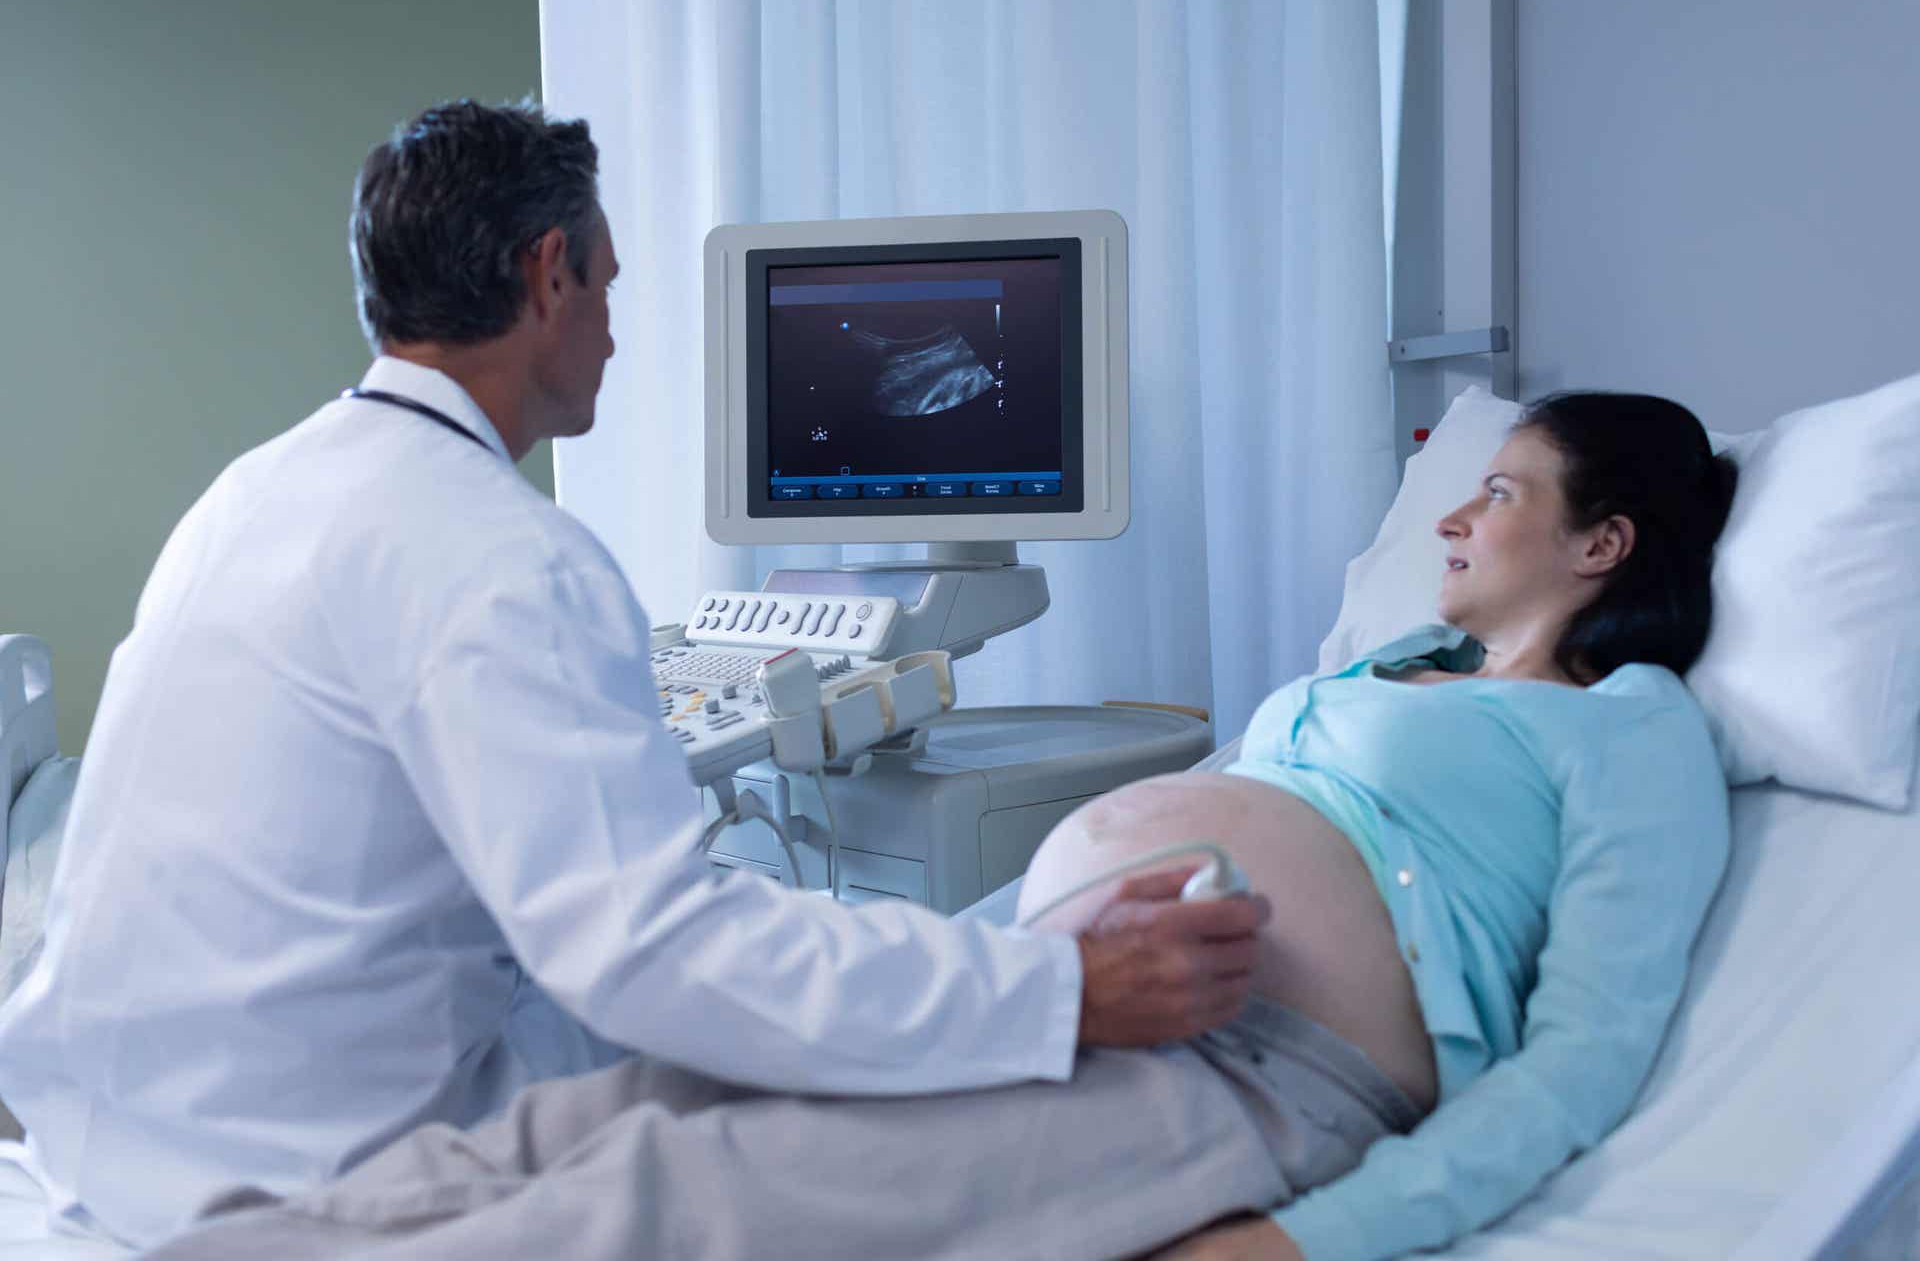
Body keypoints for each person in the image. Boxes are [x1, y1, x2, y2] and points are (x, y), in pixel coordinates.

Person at [0, 100, 1268, 1250]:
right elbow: (659, 955)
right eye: (606, 282)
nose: (613, 328)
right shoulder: (504, 556)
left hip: (109, 1145)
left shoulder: (253, 492)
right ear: (548, 272)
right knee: (837, 1121)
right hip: (301, 1184)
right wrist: (1063, 989)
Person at [141, 393, 1739, 1261]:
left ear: (1603, 543)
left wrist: (1315, 1244)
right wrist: (940, 987)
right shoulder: (1384, 671)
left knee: (690, 1197)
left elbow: (1582, 1062)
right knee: (604, 1112)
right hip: (1057, 995)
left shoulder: (1630, 733)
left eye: (1501, 492)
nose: (1454, 512)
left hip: (1254, 1071)